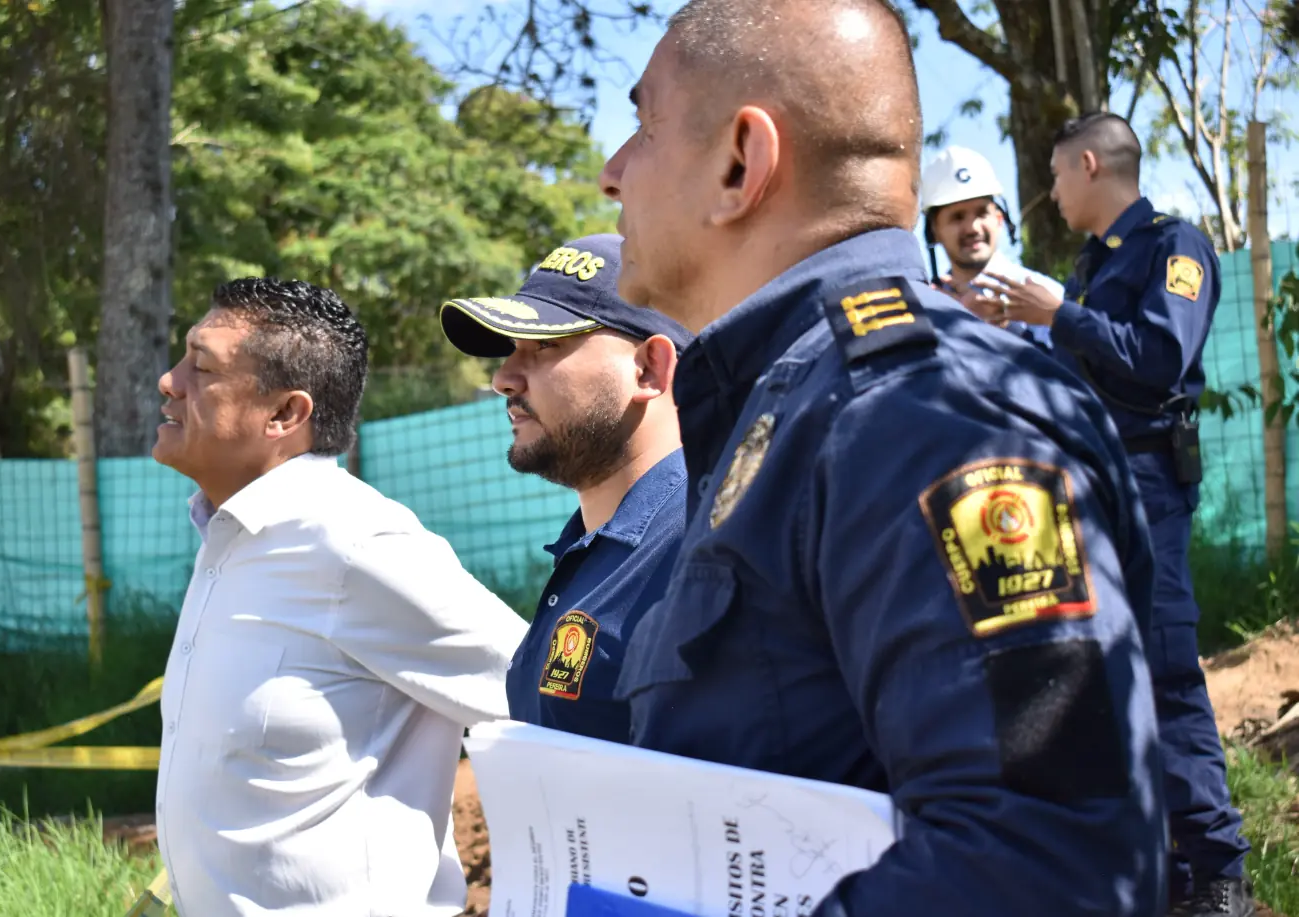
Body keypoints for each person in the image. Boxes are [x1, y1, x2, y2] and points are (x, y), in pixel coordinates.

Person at [597, 1, 1168, 915]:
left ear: (741, 161)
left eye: (642, 124)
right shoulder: (799, 403)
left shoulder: (916, 413)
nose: (609, 172)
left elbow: (1048, 861)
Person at [150, 277, 528, 917]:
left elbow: (536, 684)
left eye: (201, 365)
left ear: (283, 415)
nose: (169, 380)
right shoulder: (228, 535)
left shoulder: (354, 542)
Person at [983, 112, 1254, 917]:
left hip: (1145, 485)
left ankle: (1218, 871)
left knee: (1165, 670)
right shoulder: (1091, 263)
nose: (1053, 193)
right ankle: (1149, 860)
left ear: (1091, 165)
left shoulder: (1175, 248)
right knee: (1099, 667)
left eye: (1058, 176)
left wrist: (1058, 314)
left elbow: (1157, 357)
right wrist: (1017, 330)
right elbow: (1078, 369)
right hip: (1085, 482)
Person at [438, 234, 693, 744]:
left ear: (649, 369)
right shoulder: (591, 548)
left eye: (546, 346)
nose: (503, 379)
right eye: (511, 349)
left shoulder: (702, 542)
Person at [920, 144, 1059, 347]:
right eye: (957, 217)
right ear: (935, 231)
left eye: (981, 213)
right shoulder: (926, 306)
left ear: (999, 219)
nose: (972, 228)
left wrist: (1004, 327)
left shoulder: (1045, 293)